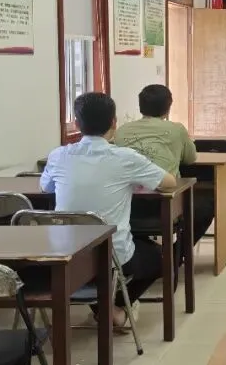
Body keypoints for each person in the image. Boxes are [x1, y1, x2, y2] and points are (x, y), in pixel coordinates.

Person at [41, 93, 177, 322]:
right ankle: (113, 309)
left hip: (65, 255)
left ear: (77, 124)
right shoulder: (125, 158)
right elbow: (169, 183)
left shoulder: (58, 155)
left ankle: (105, 306)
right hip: (112, 256)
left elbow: (45, 187)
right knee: (161, 256)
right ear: (114, 123)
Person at [114, 84, 214, 244]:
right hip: (163, 203)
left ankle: (144, 248)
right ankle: (177, 252)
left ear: (140, 107)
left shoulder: (121, 131)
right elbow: (190, 158)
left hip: (126, 204)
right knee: (206, 205)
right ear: (168, 108)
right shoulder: (176, 129)